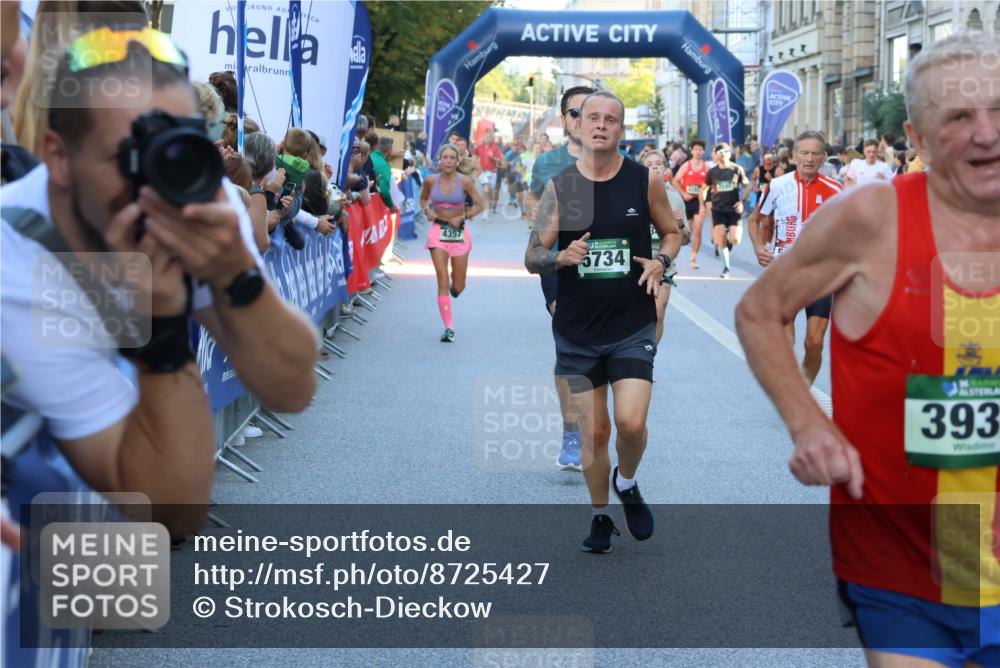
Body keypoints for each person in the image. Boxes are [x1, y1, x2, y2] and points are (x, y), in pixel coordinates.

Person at [2, 26, 318, 666]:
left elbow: (293, 385)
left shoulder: (193, 198)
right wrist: (163, 325)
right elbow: (168, 505)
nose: (160, 173)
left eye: (178, 145)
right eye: (130, 151)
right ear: (58, 158)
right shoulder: (17, 260)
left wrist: (236, 272)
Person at [736, 31, 1000, 667]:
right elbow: (760, 310)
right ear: (916, 137)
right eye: (960, 117)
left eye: (999, 111)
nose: (987, 134)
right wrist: (808, 424)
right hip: (901, 561)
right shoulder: (872, 219)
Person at [524, 91, 682, 553]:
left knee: (630, 425)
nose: (600, 126)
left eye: (610, 119)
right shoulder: (562, 188)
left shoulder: (643, 180)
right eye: (591, 117)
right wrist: (560, 256)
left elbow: (671, 232)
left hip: (631, 324)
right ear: (577, 125)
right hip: (578, 331)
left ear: (621, 129)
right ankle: (599, 516)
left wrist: (661, 261)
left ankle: (626, 482)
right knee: (595, 432)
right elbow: (532, 256)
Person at [525, 85, 596, 471]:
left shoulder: (617, 160)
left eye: (592, 111)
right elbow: (533, 201)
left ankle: (594, 418)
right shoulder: (547, 163)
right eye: (575, 112)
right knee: (569, 346)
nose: (584, 119)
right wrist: (544, 235)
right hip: (560, 265)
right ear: (565, 119)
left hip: (606, 264)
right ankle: (572, 430)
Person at [747, 130, 843, 386]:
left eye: (815, 153)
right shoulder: (777, 186)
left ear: (824, 157)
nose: (809, 158)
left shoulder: (837, 189)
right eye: (804, 153)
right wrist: (759, 247)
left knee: (814, 342)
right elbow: (754, 219)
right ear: (794, 155)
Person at [420, 143, 484, 342]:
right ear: (440, 160)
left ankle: (455, 286)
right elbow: (423, 199)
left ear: (457, 162)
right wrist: (426, 210)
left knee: (458, 285)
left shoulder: (465, 182)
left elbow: (480, 205)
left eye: (451, 158)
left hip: (458, 232)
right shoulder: (430, 180)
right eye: (444, 157)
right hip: (438, 231)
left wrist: (463, 216)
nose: (447, 161)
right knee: (442, 281)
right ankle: (449, 328)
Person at [642, 149, 688, 343]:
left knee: (658, 313)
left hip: (662, 263)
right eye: (649, 164)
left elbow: (684, 239)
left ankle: (648, 357)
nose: (654, 167)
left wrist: (678, 224)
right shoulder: (630, 195)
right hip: (635, 262)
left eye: (658, 163)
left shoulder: (675, 199)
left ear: (665, 169)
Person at [702, 143, 750, 278]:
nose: (723, 153)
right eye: (720, 151)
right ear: (716, 155)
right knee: (721, 239)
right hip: (718, 209)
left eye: (725, 151)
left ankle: (727, 241)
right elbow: (703, 189)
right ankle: (726, 268)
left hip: (734, 209)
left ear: (730, 153)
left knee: (735, 239)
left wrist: (742, 201)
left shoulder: (737, 169)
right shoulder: (712, 172)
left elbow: (747, 186)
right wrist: (707, 202)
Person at [673, 140, 710, 269]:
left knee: (698, 230)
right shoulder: (686, 166)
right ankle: (673, 254)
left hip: (699, 202)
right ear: (691, 151)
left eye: (700, 149)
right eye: (696, 149)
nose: (698, 151)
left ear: (704, 151)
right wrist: (683, 193)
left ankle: (693, 258)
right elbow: (675, 181)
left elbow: (710, 186)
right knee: (686, 232)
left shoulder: (706, 168)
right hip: (686, 202)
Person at [474, 129, 505, 214]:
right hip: (483, 172)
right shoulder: (479, 147)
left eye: (489, 137)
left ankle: (490, 204)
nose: (487, 138)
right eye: (485, 137)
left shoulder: (495, 148)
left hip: (492, 172)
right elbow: (475, 156)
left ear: (491, 138)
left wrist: (493, 158)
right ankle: (485, 211)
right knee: (485, 190)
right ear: (483, 138)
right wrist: (476, 165)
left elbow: (501, 160)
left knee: (491, 192)